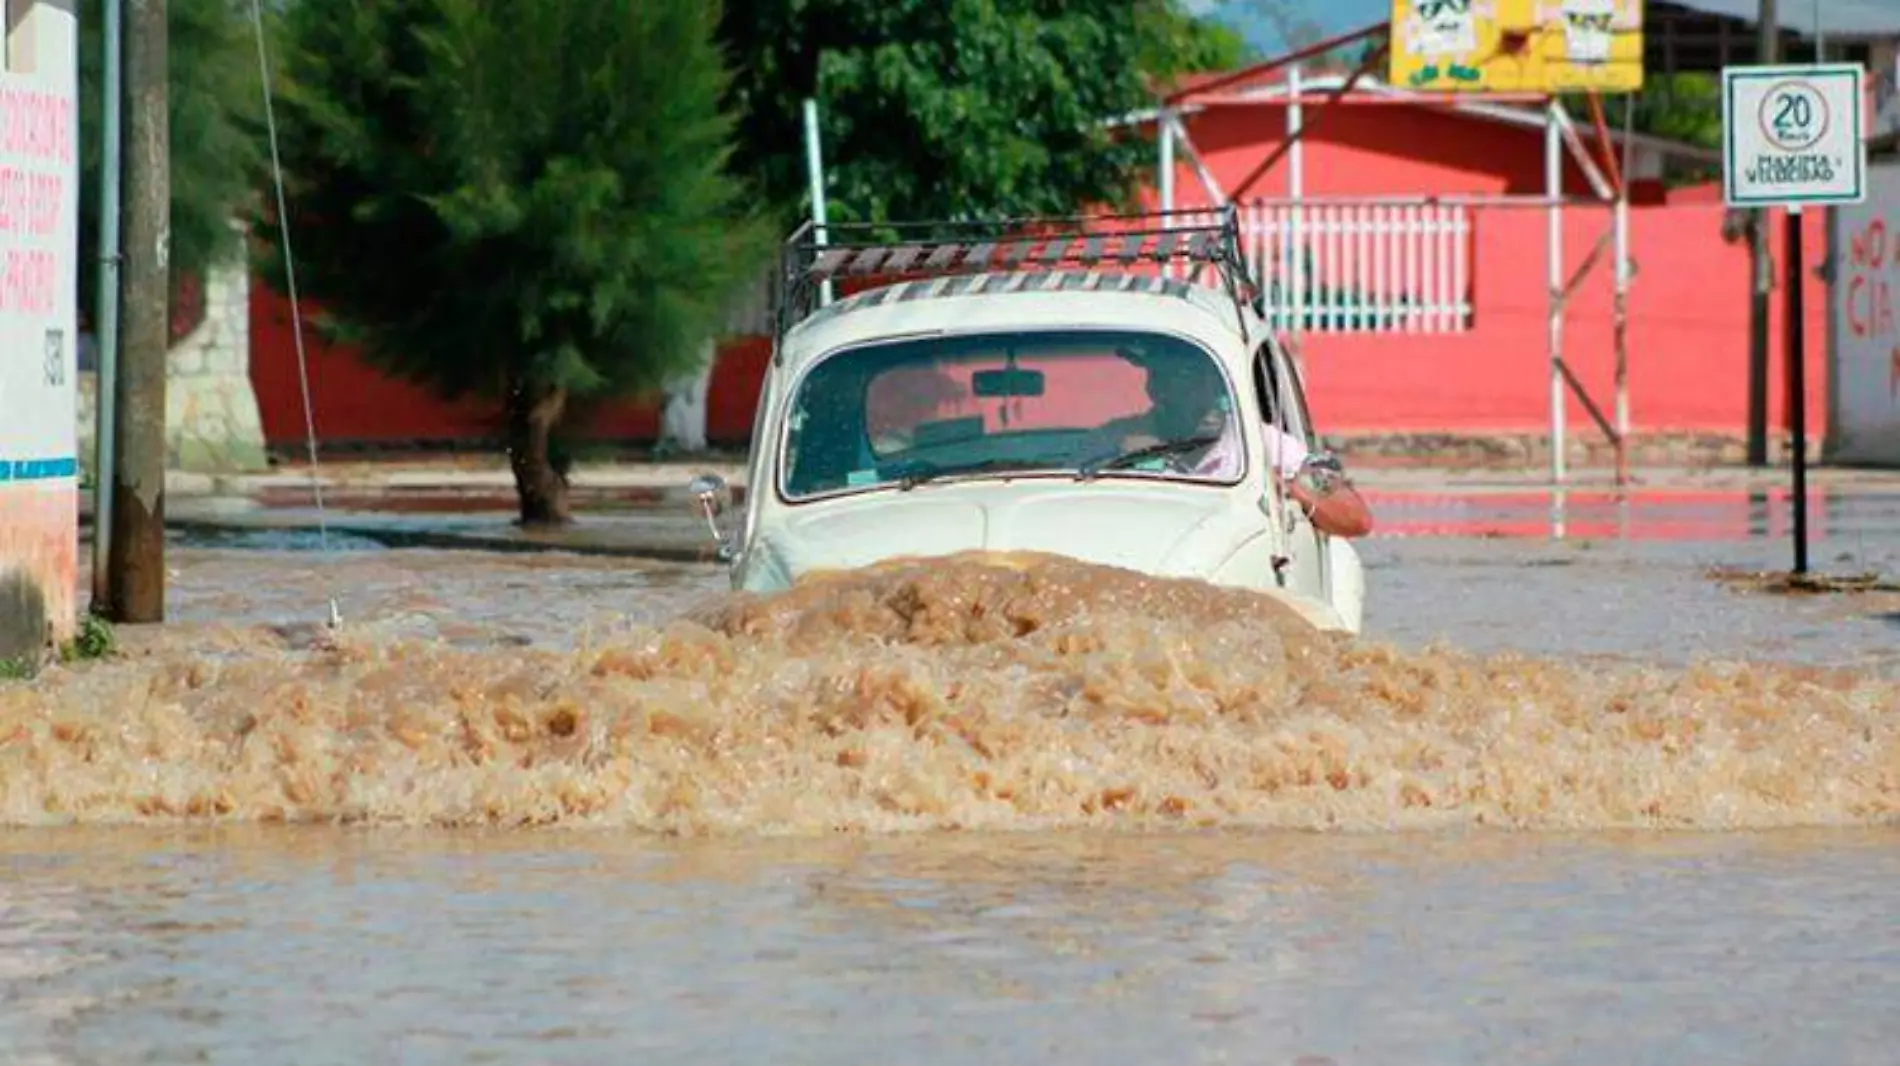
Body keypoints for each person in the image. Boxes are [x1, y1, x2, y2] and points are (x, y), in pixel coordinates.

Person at [1096, 351, 1373, 538]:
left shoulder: (1267, 445)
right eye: (1176, 380)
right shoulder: (1117, 441)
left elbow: (1356, 519)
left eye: (1206, 378)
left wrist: (1288, 489)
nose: (1197, 391)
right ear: (1154, 387)